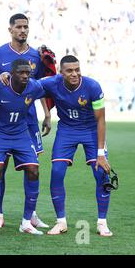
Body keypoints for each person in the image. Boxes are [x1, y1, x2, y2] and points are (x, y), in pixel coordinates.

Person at [0, 13, 51, 230]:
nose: (23, 30)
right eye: (19, 27)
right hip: (3, 118)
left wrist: (47, 114)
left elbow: (39, 86)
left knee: (31, 166)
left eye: (26, 27)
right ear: (10, 29)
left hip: (28, 119)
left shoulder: (35, 55)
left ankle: (30, 215)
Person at [38, 55, 113, 236]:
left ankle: (102, 222)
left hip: (91, 131)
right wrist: (47, 114)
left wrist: (101, 154)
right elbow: (32, 87)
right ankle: (61, 222)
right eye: (69, 71)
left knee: (101, 173)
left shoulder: (92, 87)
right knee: (56, 172)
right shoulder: (51, 83)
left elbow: (101, 120)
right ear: (61, 72)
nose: (74, 74)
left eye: (77, 70)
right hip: (67, 130)